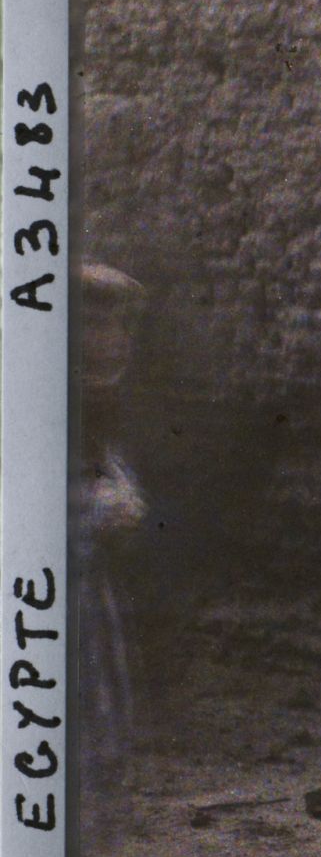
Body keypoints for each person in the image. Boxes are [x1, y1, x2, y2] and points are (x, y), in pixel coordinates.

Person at [76, 264, 149, 788]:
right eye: (98, 326)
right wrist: (103, 506)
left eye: (122, 328)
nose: (115, 342)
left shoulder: (92, 405)